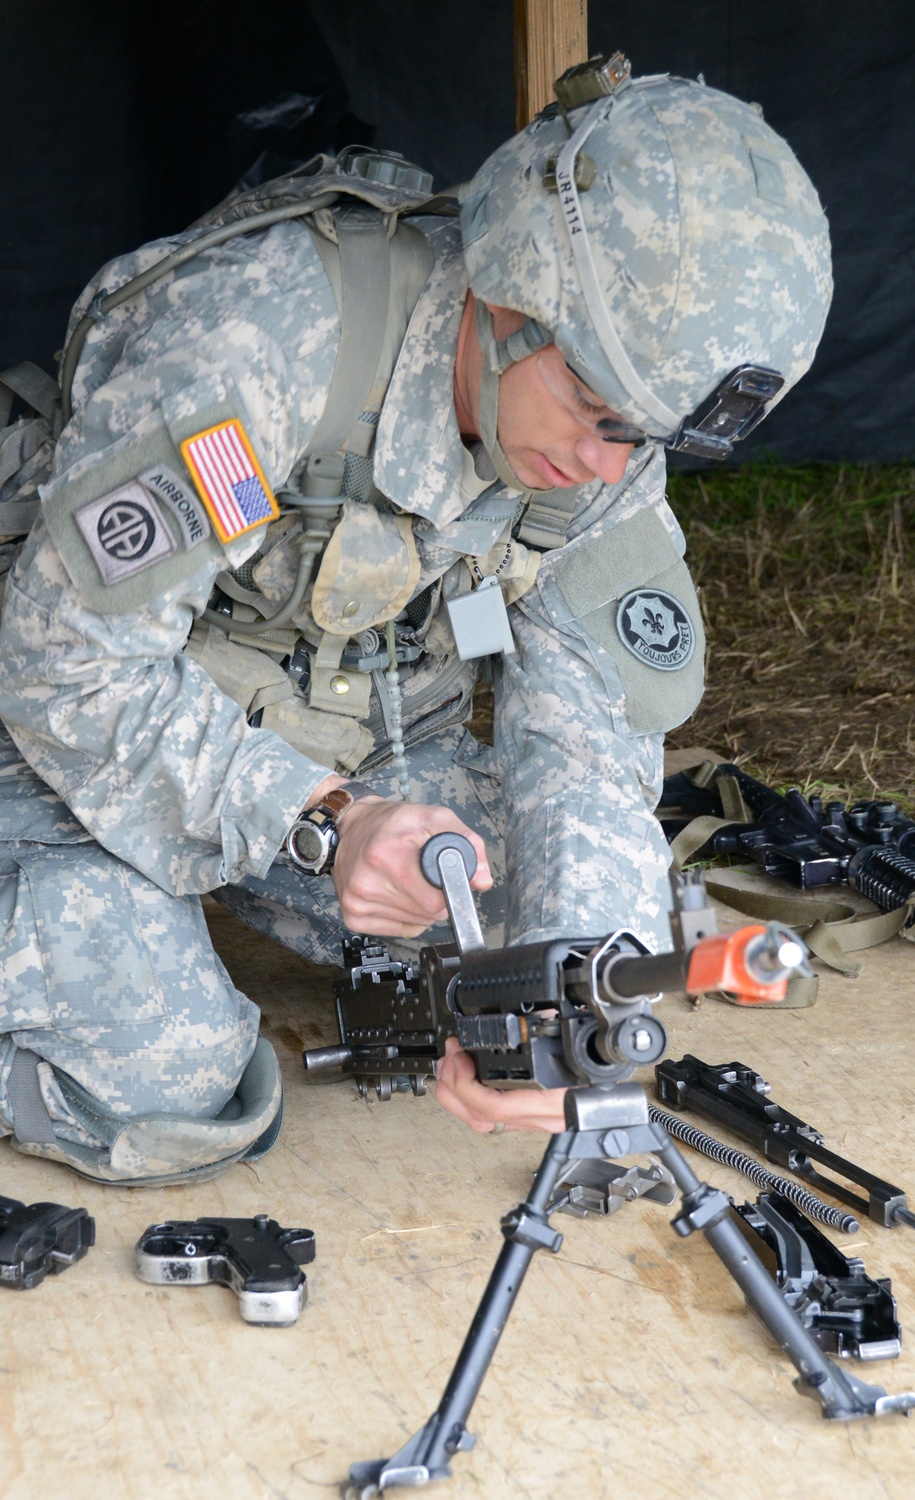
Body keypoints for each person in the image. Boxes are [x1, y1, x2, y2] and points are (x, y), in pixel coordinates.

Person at [0, 60, 832, 1183]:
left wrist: (576, 1009)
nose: (603, 463)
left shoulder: (608, 436)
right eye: (594, 413)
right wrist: (319, 820)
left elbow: (587, 739)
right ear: (508, 297)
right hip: (72, 722)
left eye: (644, 438)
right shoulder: (270, 348)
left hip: (345, 734)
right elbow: (71, 670)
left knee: (537, 948)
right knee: (173, 1089)